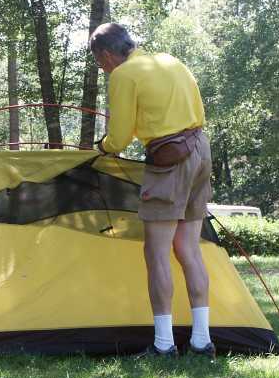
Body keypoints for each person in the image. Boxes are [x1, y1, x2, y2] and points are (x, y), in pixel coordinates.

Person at [91, 23, 215, 358]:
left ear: (105, 54)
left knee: (157, 252)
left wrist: (102, 146)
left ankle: (163, 345)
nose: (103, 70)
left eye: (100, 63)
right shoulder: (171, 61)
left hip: (170, 159)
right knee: (188, 249)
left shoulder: (124, 75)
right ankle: (202, 342)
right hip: (200, 150)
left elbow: (118, 139)